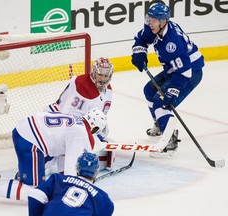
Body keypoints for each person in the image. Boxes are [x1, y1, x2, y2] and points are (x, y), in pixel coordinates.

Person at [0, 108, 108, 206]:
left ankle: (25, 174)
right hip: (31, 142)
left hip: (27, 133)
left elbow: (62, 161)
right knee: (36, 192)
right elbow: (71, 169)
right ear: (95, 128)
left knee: (52, 159)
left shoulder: (75, 122)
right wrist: (75, 190)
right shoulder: (80, 133)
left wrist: (63, 186)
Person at [131, 3, 204, 156]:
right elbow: (141, 38)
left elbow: (184, 71)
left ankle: (170, 139)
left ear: (163, 22)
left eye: (154, 20)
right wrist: (140, 52)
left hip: (190, 72)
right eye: (149, 19)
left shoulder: (174, 42)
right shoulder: (155, 26)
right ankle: (160, 123)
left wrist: (173, 91)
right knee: (149, 90)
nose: (150, 22)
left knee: (162, 101)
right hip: (173, 69)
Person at [46, 57, 115, 169]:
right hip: (56, 118)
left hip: (68, 120)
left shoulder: (108, 89)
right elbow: (69, 119)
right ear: (93, 72)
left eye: (106, 76)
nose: (103, 79)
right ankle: (47, 162)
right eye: (100, 75)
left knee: (102, 131)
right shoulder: (83, 86)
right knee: (64, 140)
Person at [27, 151, 114, 216]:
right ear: (97, 171)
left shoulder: (58, 179)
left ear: (77, 168)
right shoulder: (103, 199)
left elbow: (35, 194)